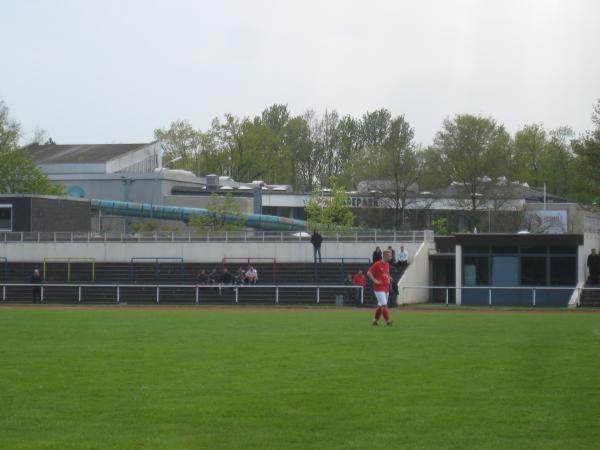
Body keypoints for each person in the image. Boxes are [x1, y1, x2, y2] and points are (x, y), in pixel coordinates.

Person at [367, 249, 393, 326]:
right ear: (385, 255)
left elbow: (386, 274)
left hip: (386, 287)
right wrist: (374, 280)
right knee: (384, 305)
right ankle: (388, 321)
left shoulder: (387, 264)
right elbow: (369, 273)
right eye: (390, 255)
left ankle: (375, 321)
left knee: (380, 306)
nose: (391, 257)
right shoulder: (377, 264)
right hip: (379, 288)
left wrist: (389, 277)